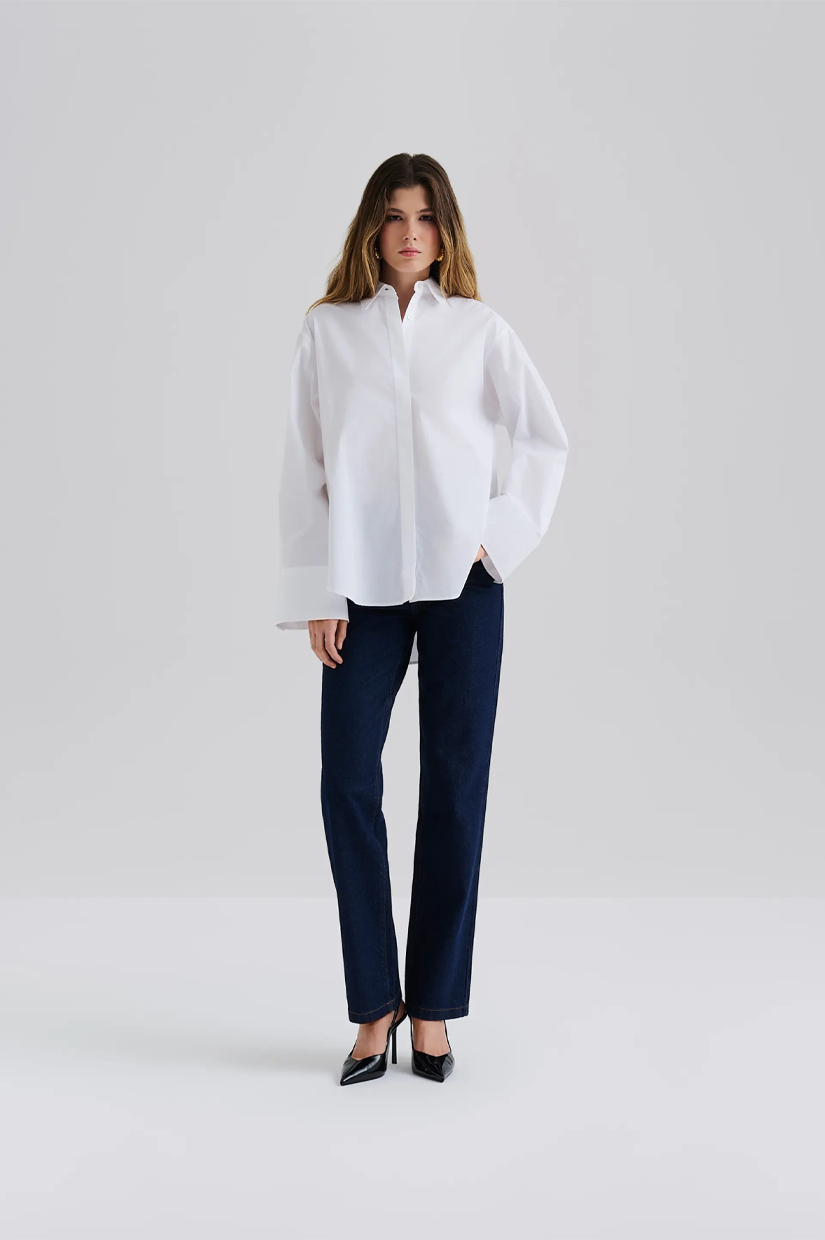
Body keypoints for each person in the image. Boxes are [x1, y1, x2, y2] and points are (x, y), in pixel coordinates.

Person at [275, 153, 569, 1085]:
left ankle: (433, 1006)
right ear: (372, 227)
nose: (410, 232)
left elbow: (544, 438)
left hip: (463, 586)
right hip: (360, 589)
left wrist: (499, 534)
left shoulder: (478, 330)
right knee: (345, 783)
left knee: (454, 787)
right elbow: (303, 466)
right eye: (395, 215)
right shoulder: (327, 332)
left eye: (426, 217)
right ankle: (376, 1005)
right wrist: (316, 592)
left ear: (445, 232)